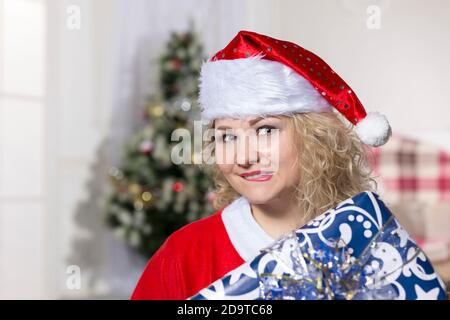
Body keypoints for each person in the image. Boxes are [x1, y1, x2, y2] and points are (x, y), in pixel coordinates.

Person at [130, 30, 392, 300]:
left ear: (315, 138)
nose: (243, 157)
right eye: (227, 136)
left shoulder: (371, 242)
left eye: (266, 130)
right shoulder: (183, 255)